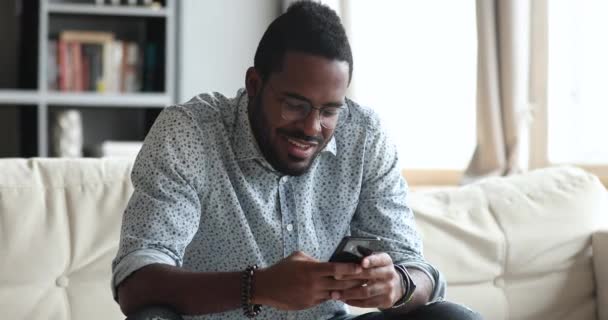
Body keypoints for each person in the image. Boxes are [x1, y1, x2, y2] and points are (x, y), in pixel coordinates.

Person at [111, 1, 482, 319]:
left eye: (329, 111)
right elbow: (136, 281)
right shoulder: (191, 132)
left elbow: (420, 272)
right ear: (255, 85)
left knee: (452, 317)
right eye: (295, 105)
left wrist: (397, 285)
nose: (311, 127)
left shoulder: (365, 136)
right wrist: (257, 286)